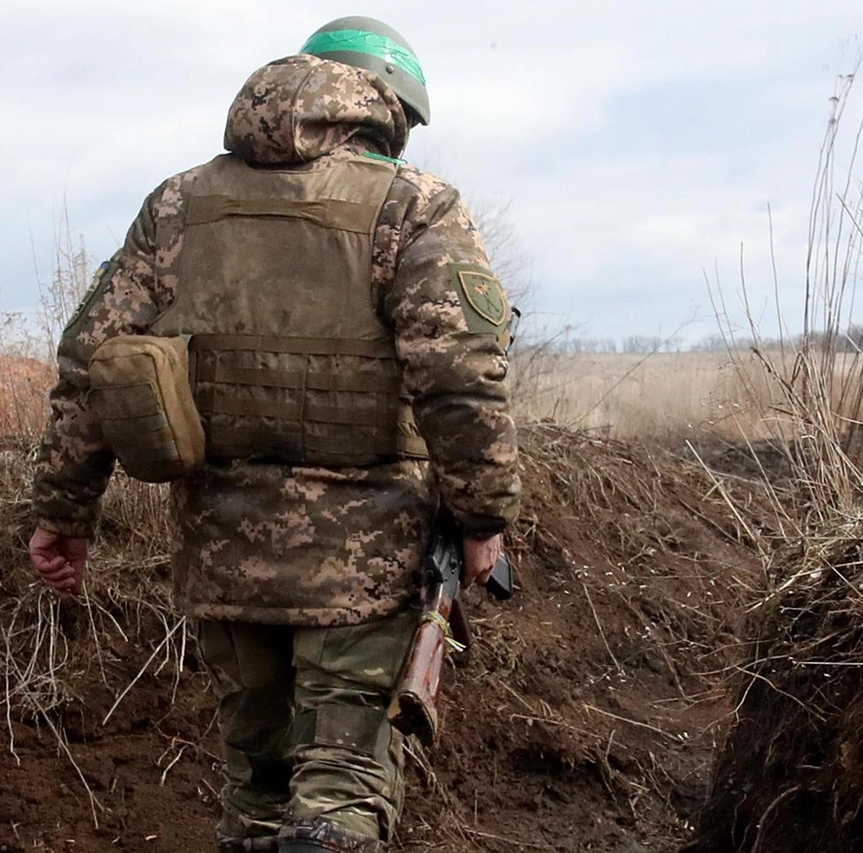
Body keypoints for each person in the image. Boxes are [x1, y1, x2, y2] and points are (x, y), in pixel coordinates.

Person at [28, 16, 520, 853]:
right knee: (341, 788)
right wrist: (483, 518)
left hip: (222, 554)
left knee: (255, 783)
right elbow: (461, 377)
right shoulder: (415, 206)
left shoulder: (180, 204)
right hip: (365, 558)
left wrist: (64, 512)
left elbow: (90, 364)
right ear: (386, 109)